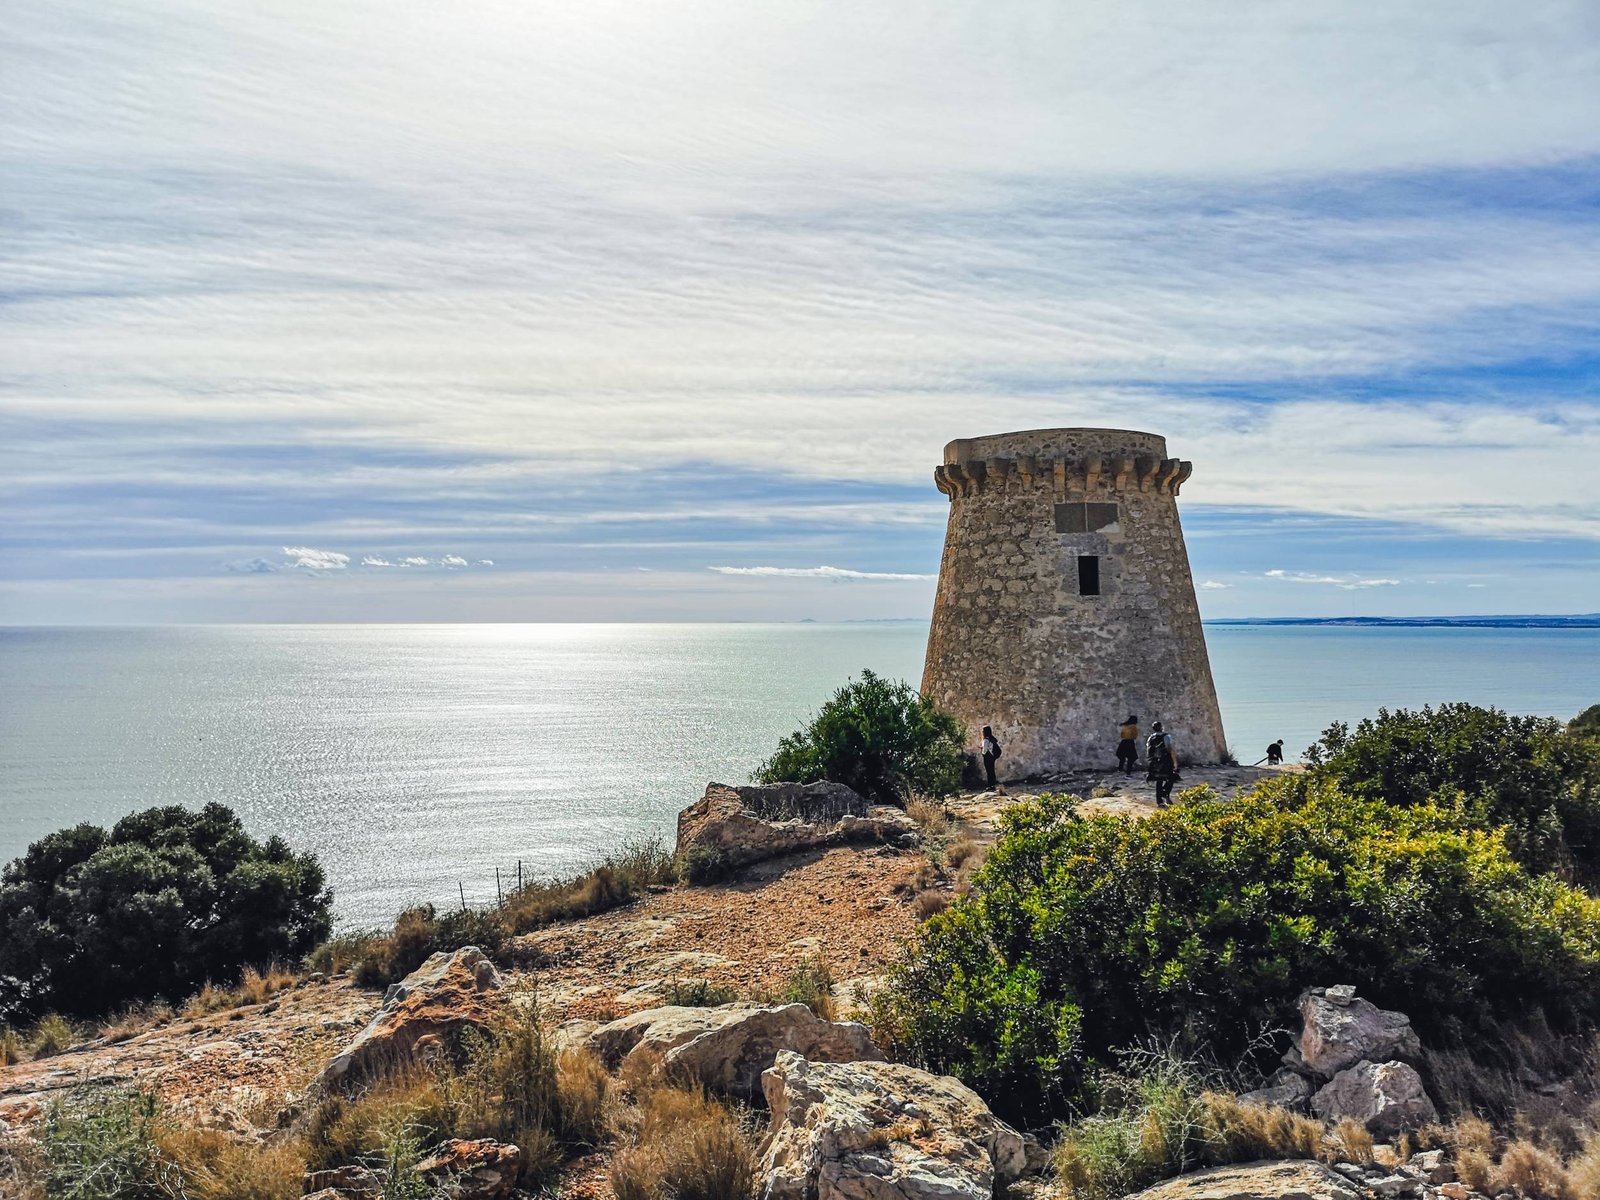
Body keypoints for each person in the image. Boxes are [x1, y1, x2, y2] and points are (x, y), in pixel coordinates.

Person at [1146, 721, 1178, 807]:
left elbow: (1149, 750)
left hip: (1155, 761)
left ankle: (1159, 800)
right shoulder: (1166, 737)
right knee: (1171, 778)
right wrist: (1175, 762)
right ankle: (1165, 793)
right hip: (1166, 760)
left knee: (1158, 780)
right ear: (1161, 727)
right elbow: (1170, 749)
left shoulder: (1150, 738)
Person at [981, 725, 1003, 790]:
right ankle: (993, 785)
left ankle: (990, 786)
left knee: (989, 771)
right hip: (992, 757)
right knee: (992, 771)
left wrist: (982, 752)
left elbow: (985, 750)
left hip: (987, 757)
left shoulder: (985, 740)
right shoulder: (992, 738)